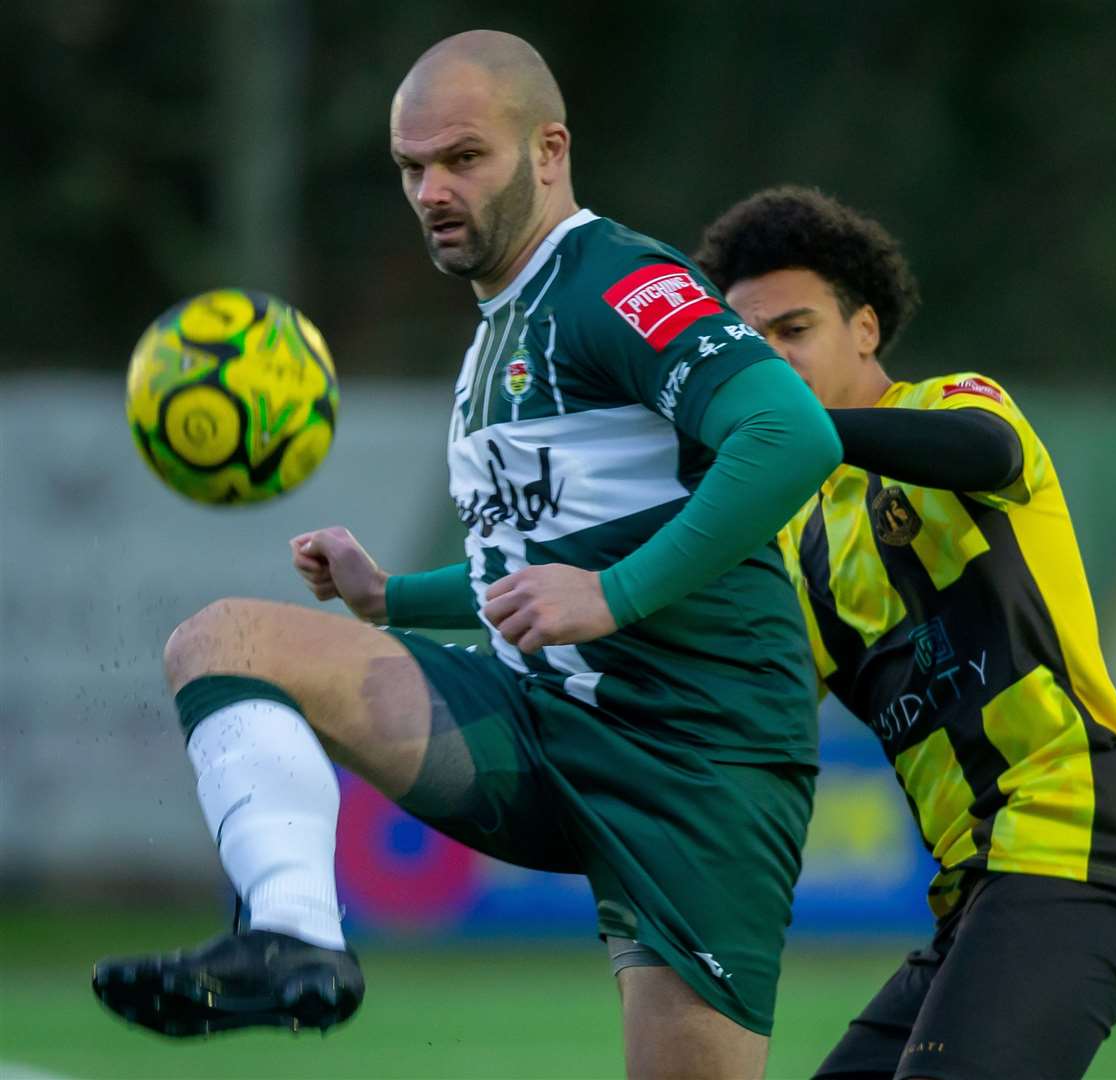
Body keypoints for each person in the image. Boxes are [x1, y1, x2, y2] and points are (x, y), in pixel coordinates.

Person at [92, 32, 843, 1077]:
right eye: (411, 168)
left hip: (696, 760)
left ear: (548, 149)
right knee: (224, 642)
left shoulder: (615, 280)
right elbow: (542, 567)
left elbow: (792, 435)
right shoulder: (501, 328)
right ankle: (294, 937)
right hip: (541, 726)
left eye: (462, 158)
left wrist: (616, 597)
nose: (432, 190)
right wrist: (391, 596)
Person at [693, 184, 1116, 1080]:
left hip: (1085, 841)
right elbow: (754, 706)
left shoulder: (949, 406)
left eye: (792, 331)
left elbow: (985, 451)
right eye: (745, 346)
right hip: (980, 889)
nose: (768, 360)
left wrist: (795, 435)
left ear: (864, 329)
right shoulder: (794, 540)